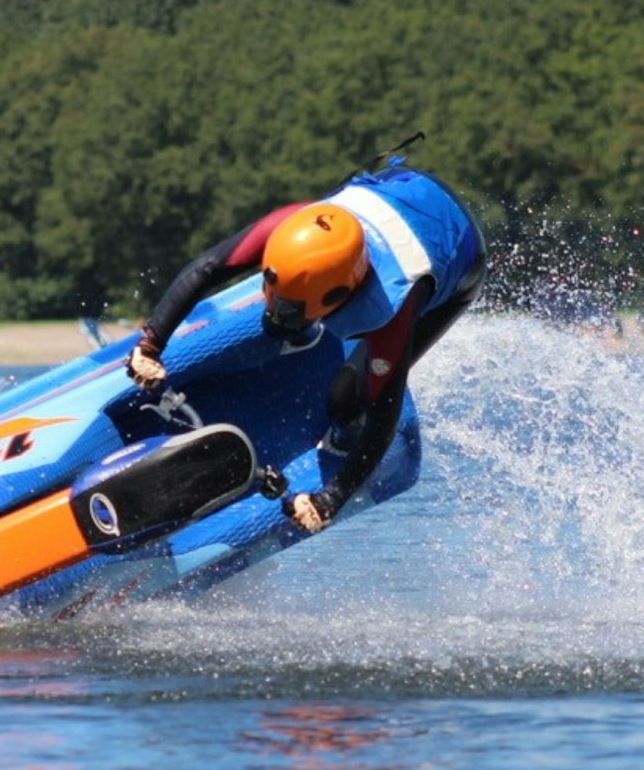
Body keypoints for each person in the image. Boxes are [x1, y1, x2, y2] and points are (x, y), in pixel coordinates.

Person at [126, 164, 483, 535]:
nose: (275, 306)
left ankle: (343, 435)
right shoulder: (288, 227)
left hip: (460, 253)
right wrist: (150, 344)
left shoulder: (392, 313)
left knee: (346, 399)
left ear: (339, 296)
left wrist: (331, 498)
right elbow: (208, 267)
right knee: (274, 325)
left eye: (289, 306)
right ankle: (300, 330)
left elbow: (383, 418)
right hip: (402, 187)